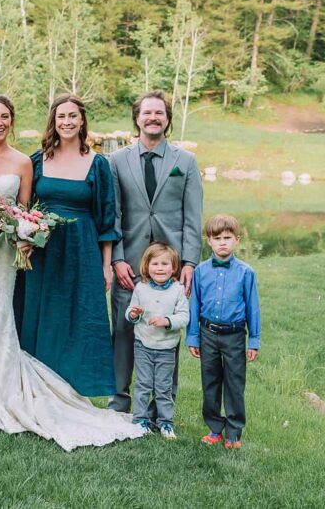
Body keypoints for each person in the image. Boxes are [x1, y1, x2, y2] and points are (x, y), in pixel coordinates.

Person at [0, 95, 145, 451]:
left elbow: (25, 209)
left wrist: (104, 260)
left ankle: (11, 389)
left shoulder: (28, 162)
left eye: (5, 116)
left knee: (3, 313)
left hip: (32, 247)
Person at [108, 90, 203, 414]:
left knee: (166, 330)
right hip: (130, 262)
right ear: (137, 118)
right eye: (147, 113)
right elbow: (114, 215)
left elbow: (193, 217)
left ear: (167, 120)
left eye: (159, 113)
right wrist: (117, 258)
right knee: (122, 330)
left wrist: (189, 261)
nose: (153, 118)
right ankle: (119, 400)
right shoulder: (117, 161)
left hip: (170, 264)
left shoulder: (185, 162)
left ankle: (161, 407)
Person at [19, 94, 119, 397]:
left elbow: (107, 218)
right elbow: (23, 207)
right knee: (43, 315)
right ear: (53, 121)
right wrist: (23, 238)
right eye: (61, 116)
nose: (67, 122)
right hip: (43, 250)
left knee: (79, 317)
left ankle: (75, 390)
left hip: (83, 251)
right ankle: (37, 388)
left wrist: (106, 266)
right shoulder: (37, 160)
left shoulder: (98, 164)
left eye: (73, 116)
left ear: (82, 120)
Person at [187, 214, 261, 449]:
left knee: (234, 383)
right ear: (209, 240)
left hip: (235, 336)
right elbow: (194, 306)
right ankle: (214, 428)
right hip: (208, 333)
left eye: (227, 238)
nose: (222, 242)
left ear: (237, 240)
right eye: (217, 238)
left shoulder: (246, 272)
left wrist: (254, 340)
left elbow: (253, 307)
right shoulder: (200, 271)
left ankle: (233, 432)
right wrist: (193, 336)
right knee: (210, 381)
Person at [126, 243, 189, 439]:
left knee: (163, 387)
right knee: (143, 384)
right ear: (146, 266)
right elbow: (130, 311)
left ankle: (165, 423)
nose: (160, 268)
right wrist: (134, 313)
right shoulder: (141, 288)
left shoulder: (178, 290)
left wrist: (166, 321)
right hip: (143, 345)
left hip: (166, 348)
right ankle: (140, 420)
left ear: (173, 268)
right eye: (155, 263)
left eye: (165, 264)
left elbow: (184, 317)